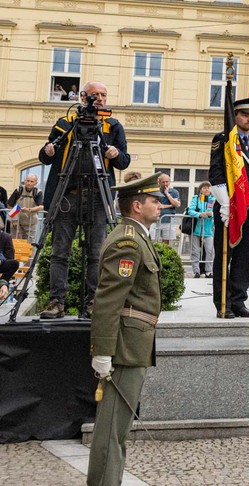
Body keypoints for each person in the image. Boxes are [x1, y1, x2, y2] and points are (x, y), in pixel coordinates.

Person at [86, 172, 164, 486]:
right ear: (136, 205)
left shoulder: (137, 236)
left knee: (118, 429)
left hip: (134, 344)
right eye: (154, 200)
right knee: (111, 431)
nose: (160, 205)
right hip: (124, 347)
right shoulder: (128, 241)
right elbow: (108, 300)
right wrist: (103, 351)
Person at [38, 81, 131, 319]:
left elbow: (124, 161)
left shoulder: (112, 125)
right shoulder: (66, 124)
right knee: (60, 252)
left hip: (98, 197)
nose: (99, 99)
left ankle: (93, 302)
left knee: (96, 252)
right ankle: (57, 301)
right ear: (83, 97)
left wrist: (115, 153)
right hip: (67, 196)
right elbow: (46, 155)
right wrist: (47, 151)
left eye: (103, 94)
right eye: (94, 95)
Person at [209, 93, 249, 319]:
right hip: (230, 205)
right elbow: (215, 173)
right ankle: (223, 303)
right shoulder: (223, 139)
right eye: (245, 115)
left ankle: (239, 301)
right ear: (234, 116)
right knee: (225, 256)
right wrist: (224, 202)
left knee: (244, 258)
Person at [186, 182, 215, 278]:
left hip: (208, 229)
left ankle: (208, 271)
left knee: (209, 250)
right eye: (204, 188)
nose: (206, 190)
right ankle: (196, 271)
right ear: (200, 189)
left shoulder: (212, 199)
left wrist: (210, 214)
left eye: (208, 188)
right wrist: (199, 214)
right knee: (195, 251)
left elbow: (214, 211)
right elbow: (190, 210)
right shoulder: (196, 198)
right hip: (196, 228)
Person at [8, 174, 44, 242]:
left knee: (29, 244)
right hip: (16, 222)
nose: (29, 183)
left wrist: (29, 210)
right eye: (27, 180)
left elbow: (41, 207)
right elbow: (10, 205)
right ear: (25, 181)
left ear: (36, 183)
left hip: (31, 223)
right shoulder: (19, 190)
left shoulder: (38, 192)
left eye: (31, 181)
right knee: (14, 243)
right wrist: (14, 220)